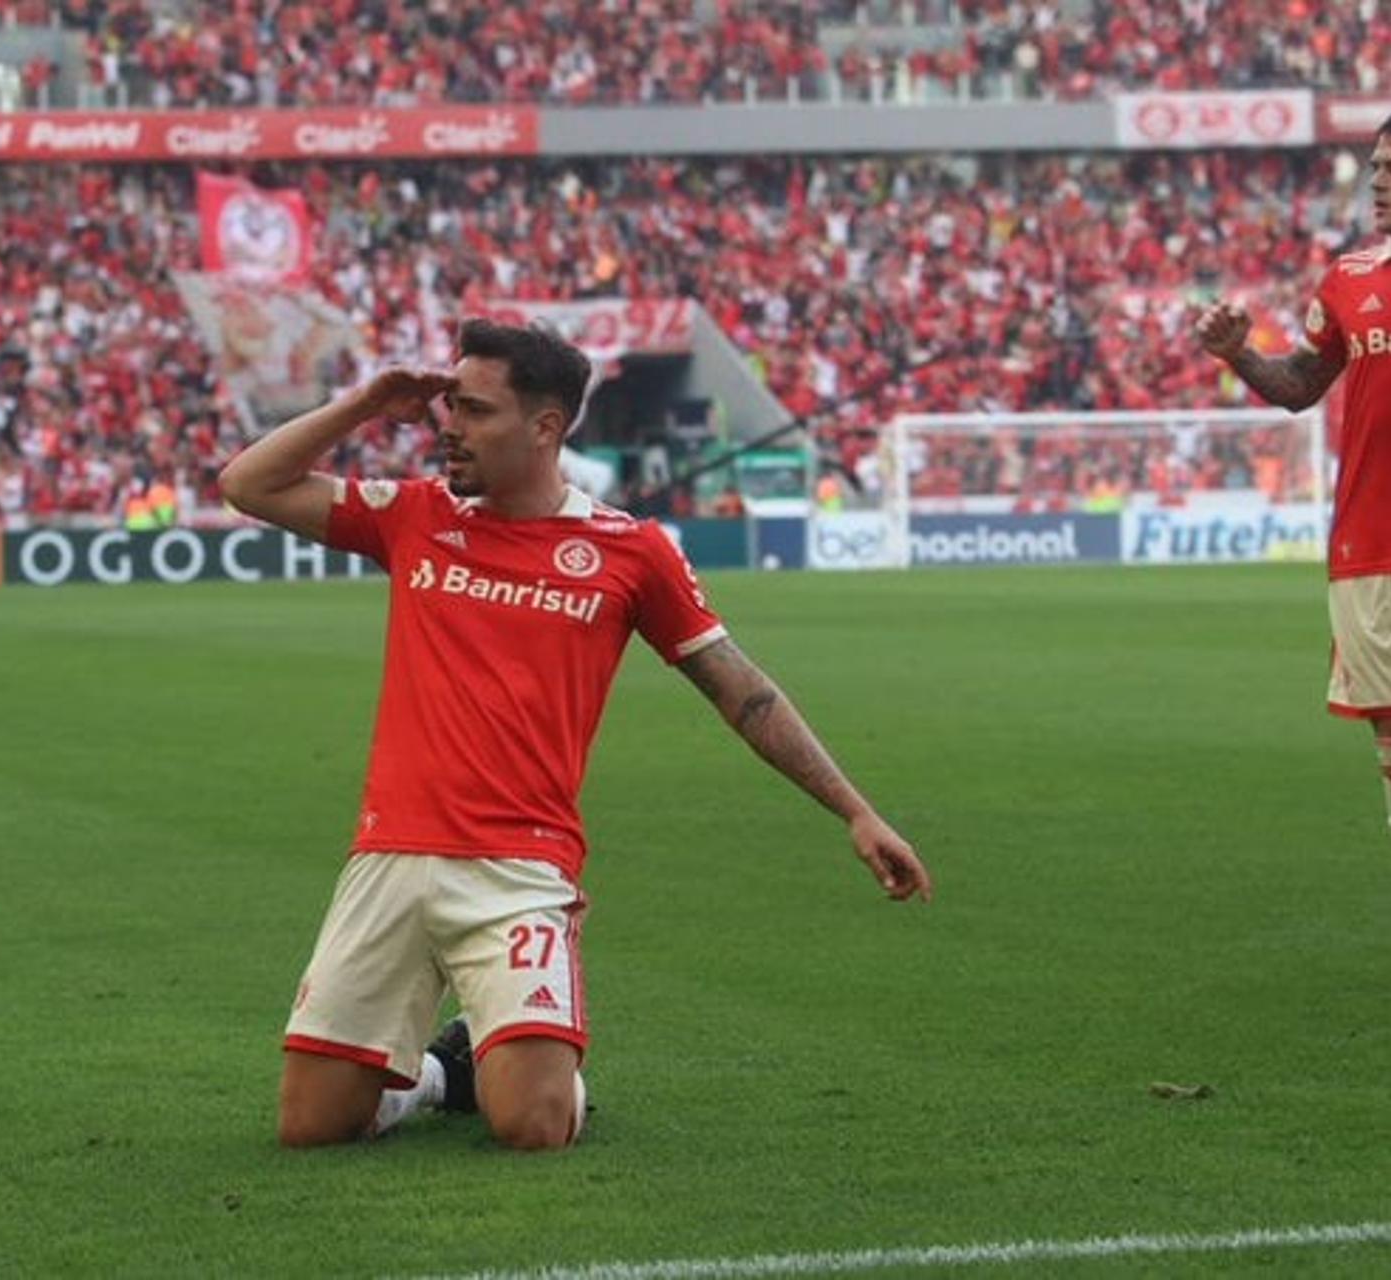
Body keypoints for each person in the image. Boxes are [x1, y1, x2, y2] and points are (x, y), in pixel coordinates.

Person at [219, 319, 932, 1152]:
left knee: (534, 1125)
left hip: (519, 866)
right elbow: (248, 484)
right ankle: (445, 1076)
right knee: (312, 1126)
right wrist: (368, 402)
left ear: (546, 428)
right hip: (392, 854)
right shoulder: (413, 518)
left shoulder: (629, 552)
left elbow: (744, 693)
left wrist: (855, 811)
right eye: (447, 402)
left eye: (475, 409)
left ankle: (522, 1050)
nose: (448, 423)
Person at [1196, 115, 1391, 830]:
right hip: (1371, 544)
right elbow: (1302, 384)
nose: (1377, 181)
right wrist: (1240, 356)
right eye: (1375, 166)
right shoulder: (1348, 280)